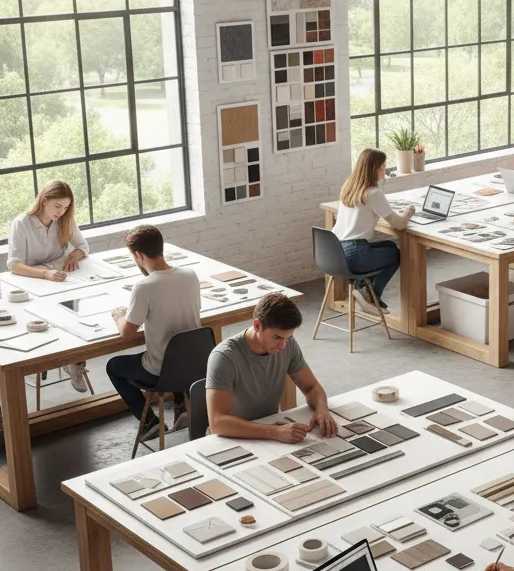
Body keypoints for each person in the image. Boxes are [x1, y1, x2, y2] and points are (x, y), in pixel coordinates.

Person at [107, 225, 201, 441]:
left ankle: (149, 422)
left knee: (114, 366)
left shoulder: (144, 288)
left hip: (161, 372)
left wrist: (119, 316)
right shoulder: (190, 275)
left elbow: (127, 334)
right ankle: (182, 406)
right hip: (193, 364)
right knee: (175, 347)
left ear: (139, 256)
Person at [206, 293, 336, 442]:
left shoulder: (287, 345)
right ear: (257, 325)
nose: (283, 346)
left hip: (267, 429)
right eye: (277, 338)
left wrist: (322, 410)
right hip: (230, 437)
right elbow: (218, 422)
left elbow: (311, 387)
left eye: (289, 338)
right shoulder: (224, 357)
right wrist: (274, 432)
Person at [8, 179, 90, 392]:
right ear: (44, 200)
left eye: (65, 207)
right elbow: (14, 264)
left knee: (78, 316)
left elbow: (83, 246)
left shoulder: (65, 220)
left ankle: (75, 361)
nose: (61, 212)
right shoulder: (22, 223)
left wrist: (74, 253)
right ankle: (66, 359)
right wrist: (45, 274)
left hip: (61, 281)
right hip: (33, 283)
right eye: (57, 206)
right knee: (56, 316)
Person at [333, 148, 413, 314]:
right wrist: (408, 213)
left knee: (390, 246)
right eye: (383, 166)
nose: (385, 169)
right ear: (374, 169)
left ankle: (363, 291)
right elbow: (399, 224)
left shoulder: (348, 187)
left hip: (336, 251)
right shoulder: (374, 193)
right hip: (355, 255)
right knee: (398, 255)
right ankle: (372, 296)